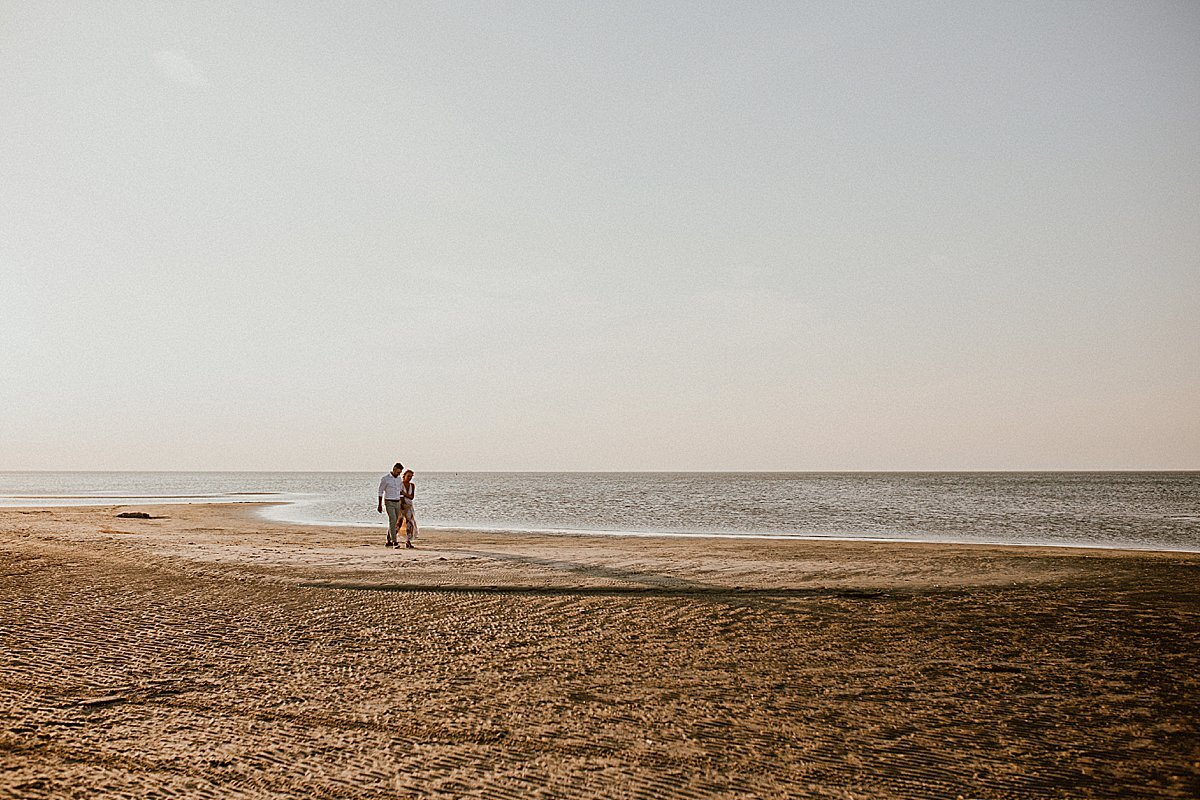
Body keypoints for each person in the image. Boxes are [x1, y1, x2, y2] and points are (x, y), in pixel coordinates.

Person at [377, 462, 405, 547]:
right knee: (392, 520)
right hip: (389, 502)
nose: (398, 474)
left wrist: (402, 501)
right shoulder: (385, 479)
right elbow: (380, 491)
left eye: (400, 473)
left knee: (395, 522)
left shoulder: (399, 479)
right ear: (394, 469)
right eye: (397, 472)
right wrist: (380, 504)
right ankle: (394, 541)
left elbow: (400, 491)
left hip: (397, 502)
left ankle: (388, 540)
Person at [399, 469, 419, 549]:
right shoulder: (400, 484)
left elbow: (412, 497)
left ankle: (408, 541)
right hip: (402, 505)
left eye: (411, 476)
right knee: (399, 523)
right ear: (404, 476)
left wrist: (404, 494)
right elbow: (400, 496)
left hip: (409, 505)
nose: (409, 478)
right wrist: (403, 502)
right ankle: (390, 539)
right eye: (408, 476)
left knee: (410, 523)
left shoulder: (412, 485)